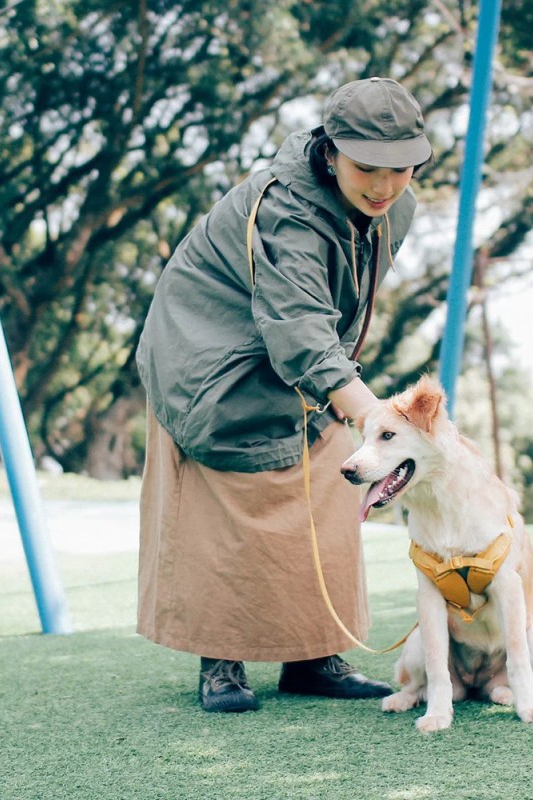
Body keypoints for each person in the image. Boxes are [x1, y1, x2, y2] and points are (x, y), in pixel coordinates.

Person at [135, 77, 432, 713]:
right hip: (209, 358)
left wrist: (342, 392)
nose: (384, 186)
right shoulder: (285, 210)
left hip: (288, 351)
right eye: (367, 169)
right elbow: (297, 325)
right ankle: (221, 664)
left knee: (326, 487)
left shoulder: (396, 209)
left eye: (401, 169)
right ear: (330, 153)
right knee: (227, 511)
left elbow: (327, 309)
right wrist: (370, 413)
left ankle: (313, 657)